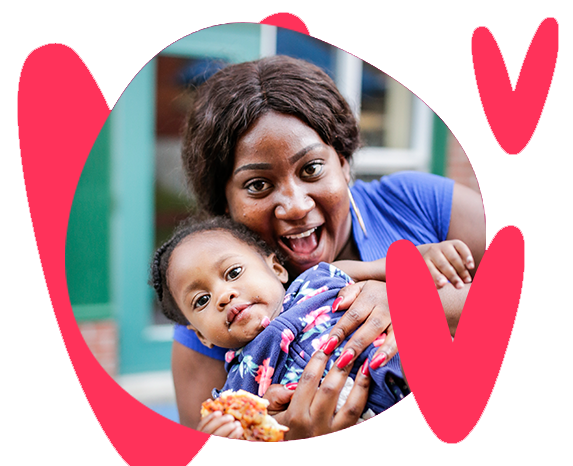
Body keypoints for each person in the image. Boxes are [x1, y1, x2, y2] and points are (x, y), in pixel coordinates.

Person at [172, 55, 486, 440]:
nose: (297, 205)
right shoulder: (216, 322)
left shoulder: (419, 202)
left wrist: (415, 304)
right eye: (257, 185)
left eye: (311, 169)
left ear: (343, 162)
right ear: (225, 205)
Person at [153, 216, 476, 439]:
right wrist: (219, 437)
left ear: (277, 268)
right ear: (201, 337)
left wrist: (426, 256)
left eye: (234, 272)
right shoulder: (237, 392)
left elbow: (392, 269)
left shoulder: (320, 278)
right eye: (201, 300)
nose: (224, 295)